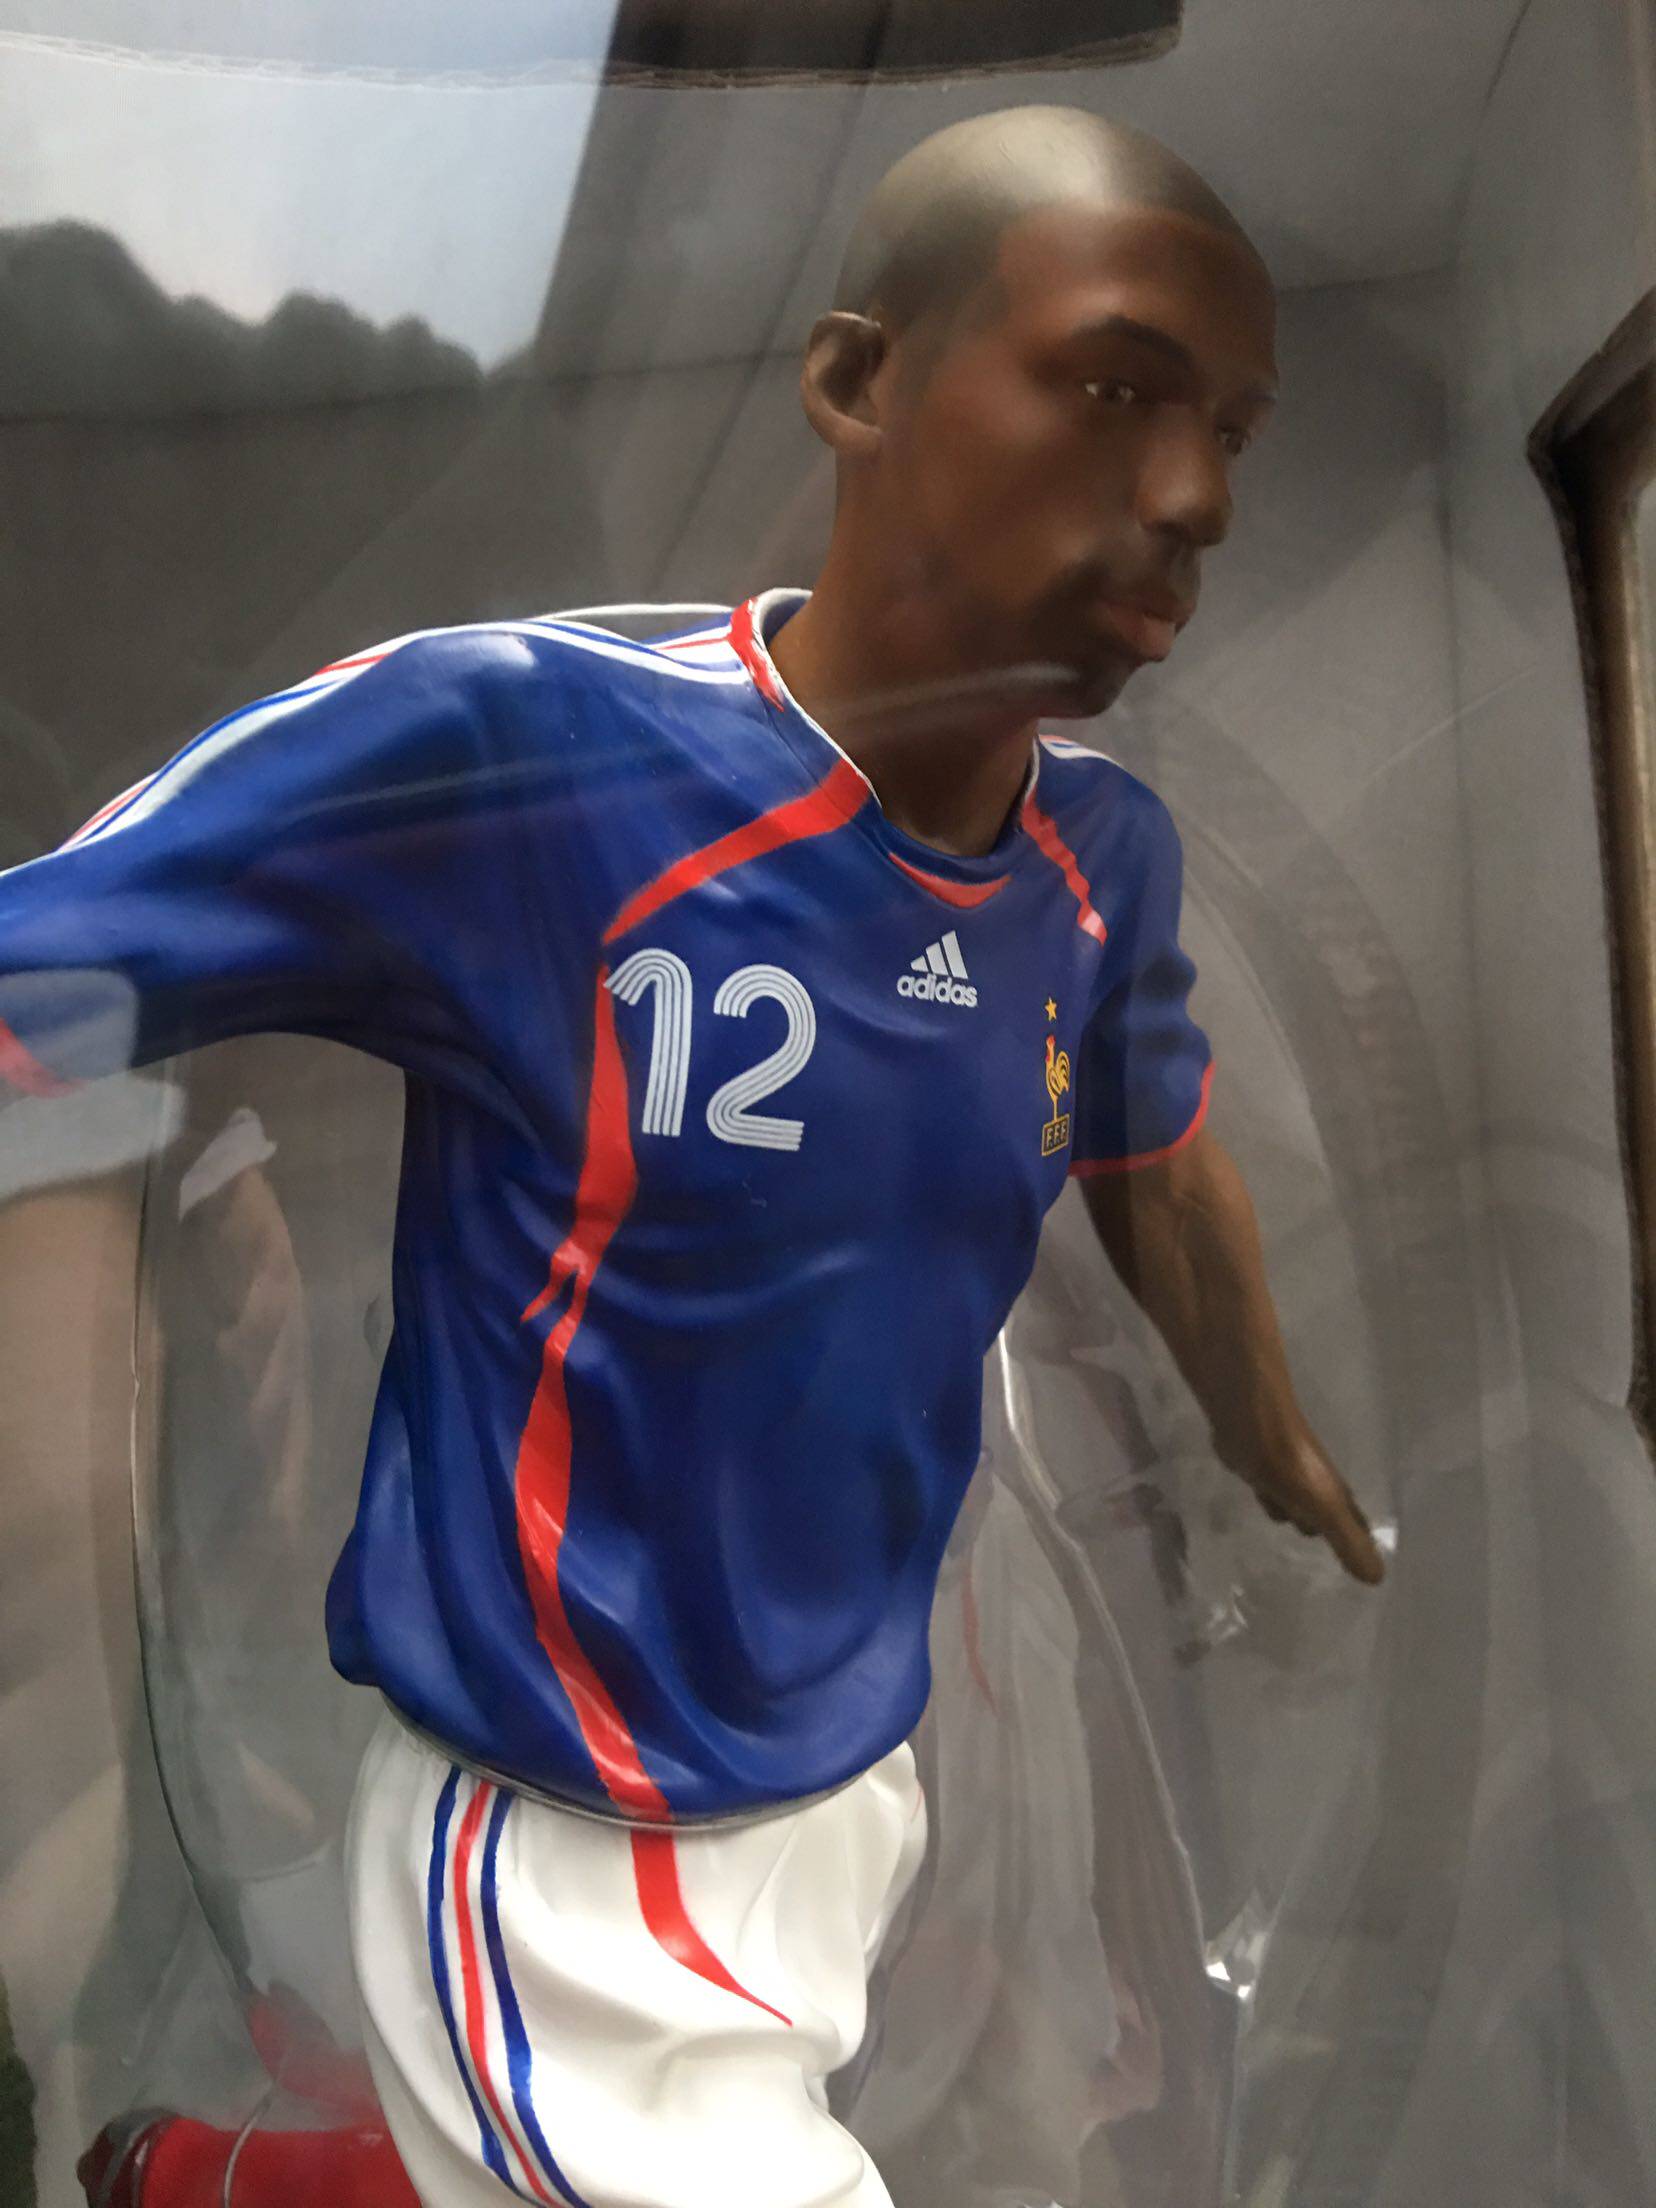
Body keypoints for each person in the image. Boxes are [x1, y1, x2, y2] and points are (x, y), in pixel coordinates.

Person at [1, 105, 1383, 2208]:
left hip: (855, 1766)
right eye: (1118, 392)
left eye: (1233, 434)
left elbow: (1156, 1143)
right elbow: (44, 958)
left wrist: (1272, 1447)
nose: (1194, 497)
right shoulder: (525, 757)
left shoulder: (1105, 861)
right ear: (858, 382)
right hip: (570, 1825)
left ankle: (202, 2180)